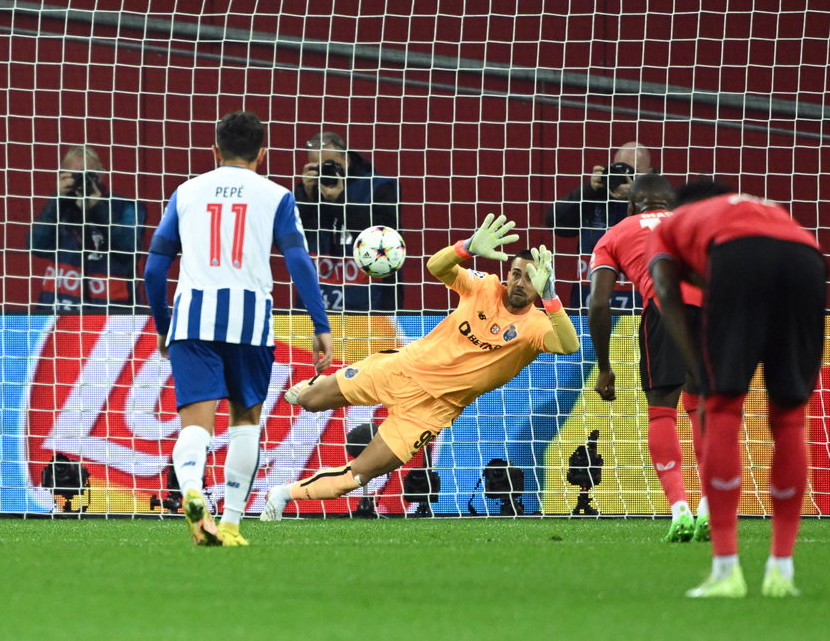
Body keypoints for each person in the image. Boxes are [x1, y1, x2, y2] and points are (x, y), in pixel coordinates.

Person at [262, 214, 580, 519]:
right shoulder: (485, 287)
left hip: (430, 411)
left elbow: (570, 345)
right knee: (309, 401)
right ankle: (310, 387)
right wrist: (466, 247)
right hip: (401, 368)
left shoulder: (536, 326)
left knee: (356, 476)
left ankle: (282, 495)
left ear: (541, 284)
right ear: (507, 273)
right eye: (516, 273)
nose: (520, 282)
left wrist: (551, 296)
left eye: (531, 278)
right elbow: (437, 267)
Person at [144, 110, 333, 547]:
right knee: (245, 422)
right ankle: (230, 523)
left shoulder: (186, 191)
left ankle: (192, 491)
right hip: (250, 326)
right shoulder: (276, 195)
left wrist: (162, 323)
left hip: (193, 319)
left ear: (215, 150)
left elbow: (155, 268)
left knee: (195, 426)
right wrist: (319, 322)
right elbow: (298, 261)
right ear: (262, 153)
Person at [649, 178, 824, 598]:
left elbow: (665, 288)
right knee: (789, 418)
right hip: (808, 256)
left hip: (738, 256)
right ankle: (781, 570)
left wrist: (699, 369)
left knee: (723, 406)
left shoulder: (673, 223)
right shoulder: (762, 206)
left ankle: (726, 570)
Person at [587, 174, 707, 542]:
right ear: (671, 206)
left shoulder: (616, 233)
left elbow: (599, 302)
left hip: (664, 307)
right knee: (706, 408)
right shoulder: (694, 222)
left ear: (630, 207)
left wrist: (605, 367)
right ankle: (710, 507)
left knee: (662, 410)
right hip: (714, 309)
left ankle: (680, 510)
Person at [29, 145, 145, 312]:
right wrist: (57, 200)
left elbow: (130, 250)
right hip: (59, 312)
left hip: (113, 315)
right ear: (62, 176)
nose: (81, 181)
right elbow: (36, 246)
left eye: (87, 175)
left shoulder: (125, 207)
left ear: (101, 175)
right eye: (75, 176)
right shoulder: (58, 208)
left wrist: (98, 208)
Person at [293, 131, 400, 312]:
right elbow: (293, 241)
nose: (324, 171)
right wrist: (306, 197)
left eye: (329, 165)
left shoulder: (380, 186)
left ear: (346, 160)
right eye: (316, 166)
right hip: (315, 303)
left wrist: (341, 200)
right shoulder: (308, 190)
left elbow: (388, 241)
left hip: (370, 304)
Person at [544, 141, 655, 307]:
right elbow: (555, 223)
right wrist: (589, 189)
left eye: (635, 171)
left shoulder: (658, 202)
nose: (627, 176)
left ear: (650, 173)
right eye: (621, 168)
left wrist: (638, 196)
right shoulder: (594, 196)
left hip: (638, 312)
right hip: (587, 310)